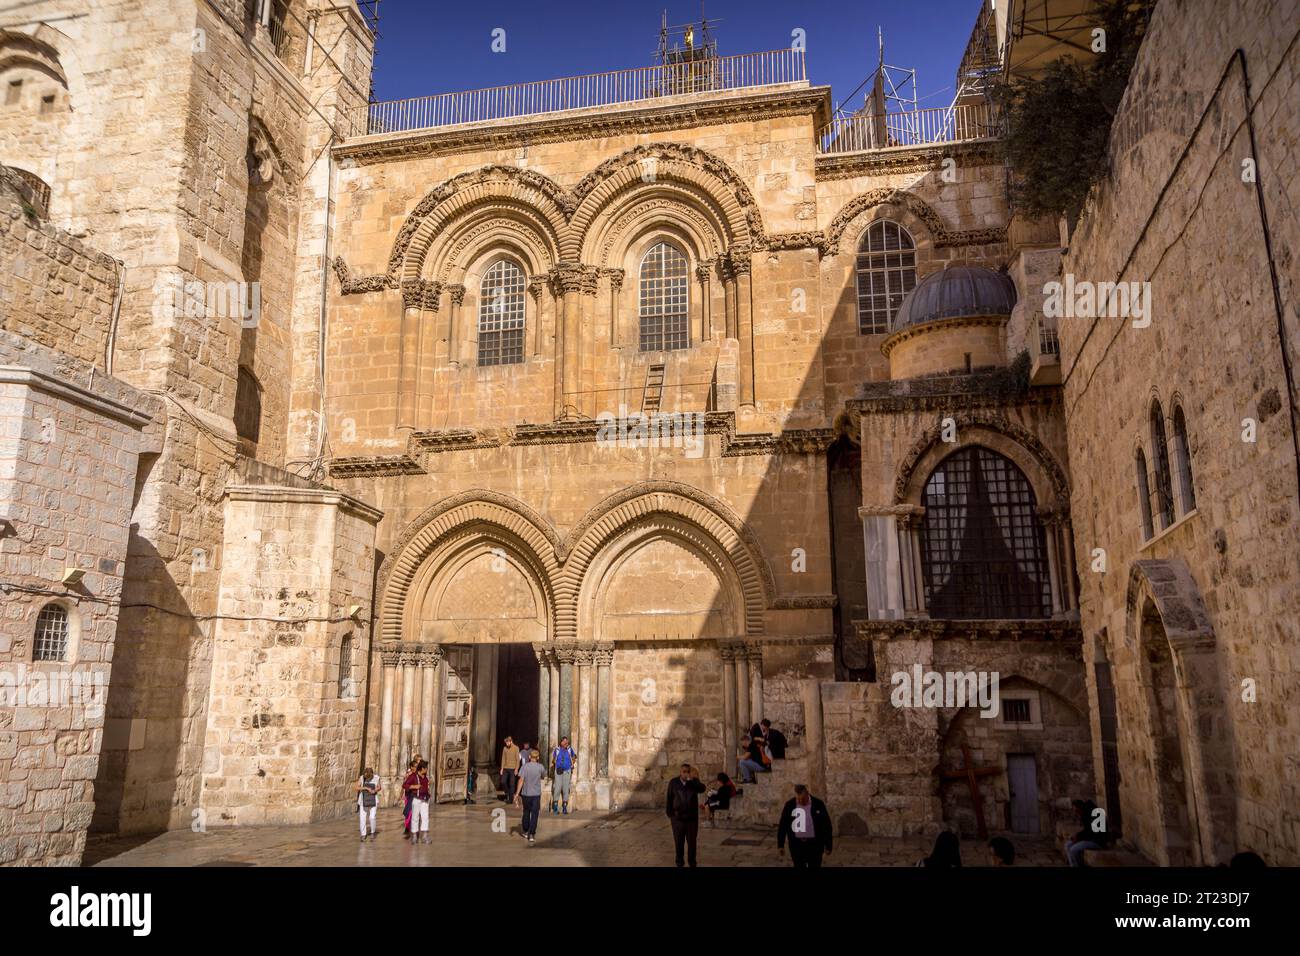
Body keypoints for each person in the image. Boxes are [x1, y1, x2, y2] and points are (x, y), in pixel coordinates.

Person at [776, 784, 833, 867]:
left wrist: (828, 845)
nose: (800, 801)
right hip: (796, 845)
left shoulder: (818, 804)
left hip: (815, 845)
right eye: (798, 798)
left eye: (802, 798)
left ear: (807, 794)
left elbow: (826, 825)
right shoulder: (790, 805)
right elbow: (783, 824)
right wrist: (780, 844)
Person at [665, 763, 706, 867]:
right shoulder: (673, 783)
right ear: (680, 772)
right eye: (684, 771)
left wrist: (694, 779)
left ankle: (692, 863)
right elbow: (669, 799)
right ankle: (679, 862)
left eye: (687, 771)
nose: (685, 774)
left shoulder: (693, 783)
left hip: (691, 820)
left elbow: (702, 789)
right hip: (678, 819)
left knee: (692, 843)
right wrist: (672, 816)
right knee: (679, 842)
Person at [1064, 798, 1108, 866]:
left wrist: (1079, 837)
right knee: (1068, 845)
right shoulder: (1086, 813)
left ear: (1080, 808)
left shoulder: (1094, 814)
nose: (1075, 812)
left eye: (1076, 810)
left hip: (1097, 841)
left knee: (1073, 850)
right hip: (1091, 838)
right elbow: (1088, 830)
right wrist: (1078, 836)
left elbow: (1094, 833)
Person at [514, 748, 545, 844]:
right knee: (535, 814)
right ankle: (532, 834)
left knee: (526, 812)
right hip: (536, 794)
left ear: (529, 757)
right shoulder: (541, 767)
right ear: (538, 757)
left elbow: (521, 780)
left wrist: (517, 794)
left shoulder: (525, 767)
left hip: (526, 794)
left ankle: (526, 830)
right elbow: (543, 776)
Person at [403, 759, 432, 844]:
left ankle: (425, 836)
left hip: (425, 799)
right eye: (425, 768)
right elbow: (404, 785)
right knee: (415, 817)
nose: (427, 769)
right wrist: (414, 786)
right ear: (421, 768)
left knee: (425, 817)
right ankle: (414, 836)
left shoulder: (425, 776)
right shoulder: (413, 776)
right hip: (416, 799)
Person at [550, 736, 577, 814]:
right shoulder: (557, 750)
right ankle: (555, 807)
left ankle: (564, 806)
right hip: (558, 771)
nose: (566, 743)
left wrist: (572, 763)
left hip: (567, 771)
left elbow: (574, 756)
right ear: (560, 742)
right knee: (557, 788)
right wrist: (557, 765)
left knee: (566, 788)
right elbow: (553, 760)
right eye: (564, 741)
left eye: (566, 741)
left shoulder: (569, 749)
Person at [356, 767, 381, 842]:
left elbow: (379, 787)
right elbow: (356, 787)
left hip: (373, 799)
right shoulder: (362, 778)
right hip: (363, 800)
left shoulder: (376, 778)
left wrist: (375, 790)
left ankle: (373, 832)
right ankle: (363, 834)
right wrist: (366, 788)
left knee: (372, 817)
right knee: (362, 817)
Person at [401, 755, 420, 839]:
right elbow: (404, 785)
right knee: (408, 813)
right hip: (409, 795)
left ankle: (413, 829)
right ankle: (407, 828)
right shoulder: (410, 774)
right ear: (411, 767)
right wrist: (414, 787)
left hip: (416, 796)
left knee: (414, 813)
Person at [499, 736, 519, 804]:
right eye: (506, 742)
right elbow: (503, 758)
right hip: (505, 768)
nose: (507, 744)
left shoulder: (516, 748)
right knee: (503, 781)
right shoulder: (504, 748)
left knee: (512, 784)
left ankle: (510, 799)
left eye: (508, 742)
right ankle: (508, 793)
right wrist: (502, 768)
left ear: (511, 741)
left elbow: (517, 760)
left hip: (513, 768)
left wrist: (516, 769)